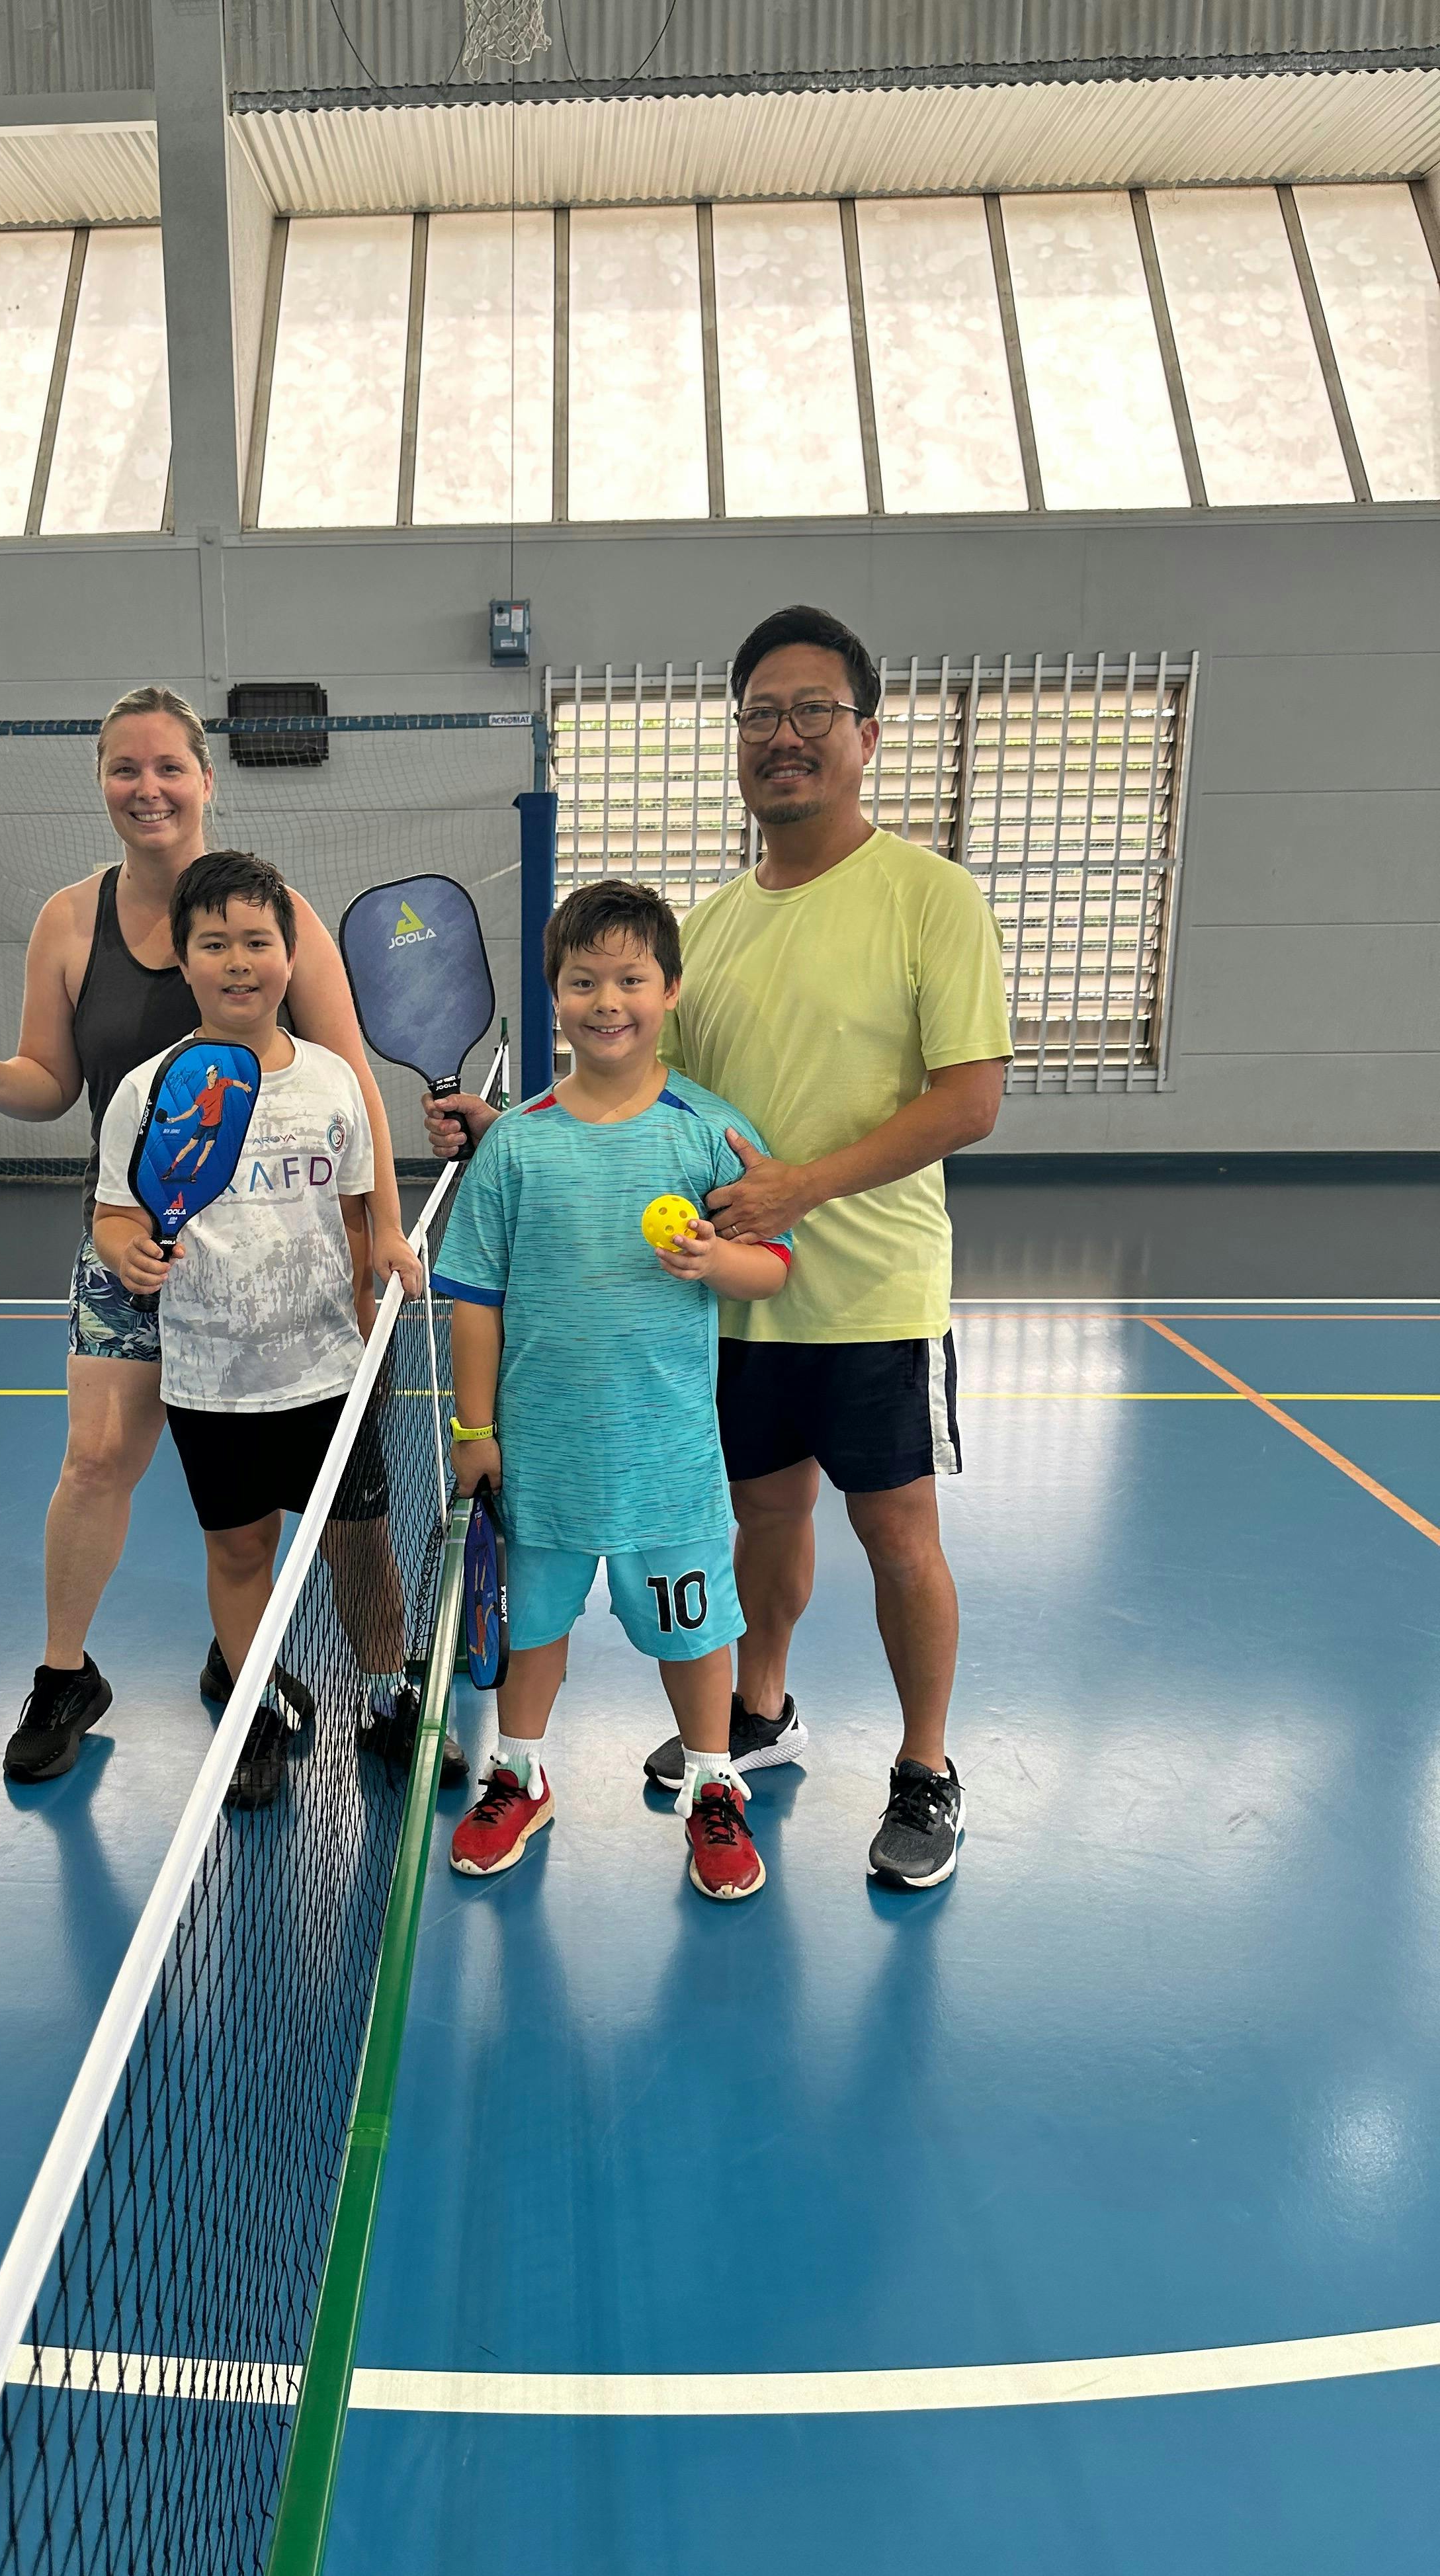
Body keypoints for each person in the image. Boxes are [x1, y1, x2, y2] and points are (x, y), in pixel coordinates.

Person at [429, 607, 1010, 1891]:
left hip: (869, 1291)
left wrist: (800, 1191)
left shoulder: (930, 896)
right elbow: (632, 1093)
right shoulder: (719, 925)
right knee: (763, 1516)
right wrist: (501, 1126)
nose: (785, 736)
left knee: (900, 1535)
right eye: (761, 715)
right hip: (725, 1310)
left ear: (865, 733)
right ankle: (757, 1715)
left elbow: (971, 1096)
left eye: (813, 712)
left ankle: (925, 1766)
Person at [0, 685, 419, 1782]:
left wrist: (384, 1232)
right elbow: (50, 1088)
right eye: (125, 770)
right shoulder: (67, 921)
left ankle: (267, 1671)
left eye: (168, 766)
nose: (148, 788)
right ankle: (65, 1676)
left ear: (205, 778)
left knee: (302, 1501)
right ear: (102, 785)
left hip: (280, 1248)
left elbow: (351, 1081)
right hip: (138, 1240)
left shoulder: (282, 915)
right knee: (96, 1461)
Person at [433, 880, 793, 1901]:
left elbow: (776, 1264)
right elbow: (475, 1300)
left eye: (632, 979)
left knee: (697, 1630)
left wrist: (718, 1264)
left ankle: (716, 1786)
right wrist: (472, 1428)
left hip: (668, 1457)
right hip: (541, 1451)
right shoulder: (518, 1141)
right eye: (585, 980)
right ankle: (520, 1772)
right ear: (555, 993)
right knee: (533, 1628)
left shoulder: (709, 1132)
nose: (608, 1001)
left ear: (669, 991)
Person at [90, 850, 463, 1807]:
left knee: (363, 1544)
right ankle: (255, 1706)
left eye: (258, 941)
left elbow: (355, 1203)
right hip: (212, 1384)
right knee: (240, 1552)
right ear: (182, 960)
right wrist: (128, 1247)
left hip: (329, 1373)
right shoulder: (149, 1090)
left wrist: (384, 1240)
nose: (239, 961)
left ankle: (386, 1693)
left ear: (291, 958)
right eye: (214, 943)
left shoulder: (334, 1080)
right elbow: (115, 1211)